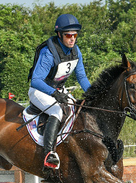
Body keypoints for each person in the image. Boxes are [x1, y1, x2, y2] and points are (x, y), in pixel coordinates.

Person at [28, 13, 91, 169]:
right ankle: (48, 154)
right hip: (40, 91)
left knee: (77, 110)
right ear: (59, 34)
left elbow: (82, 76)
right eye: (68, 35)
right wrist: (54, 93)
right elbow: (35, 80)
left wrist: (92, 94)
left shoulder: (76, 51)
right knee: (57, 111)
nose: (72, 39)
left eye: (75, 35)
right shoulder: (49, 53)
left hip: (58, 90)